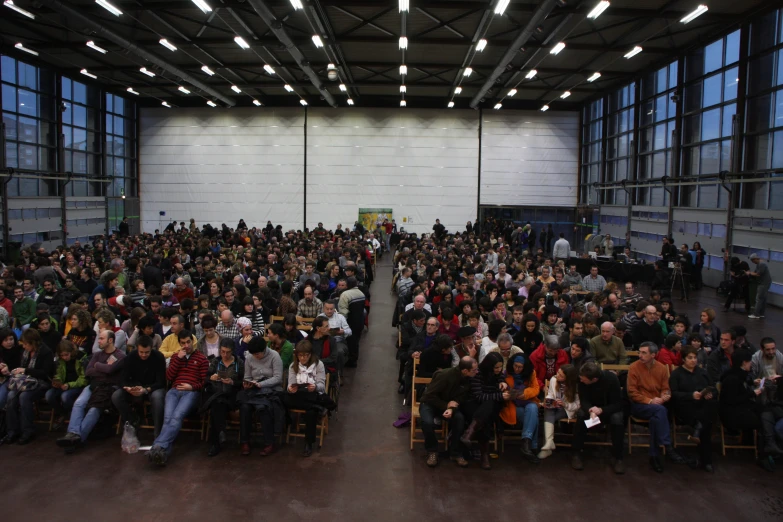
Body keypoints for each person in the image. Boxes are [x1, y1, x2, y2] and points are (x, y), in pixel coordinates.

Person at [57, 330, 127, 453]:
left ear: (110, 340)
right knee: (79, 403)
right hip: (93, 385)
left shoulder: (120, 356)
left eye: (101, 339)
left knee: (94, 410)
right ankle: (72, 434)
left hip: (107, 388)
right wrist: (104, 368)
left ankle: (78, 440)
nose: (98, 341)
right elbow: (88, 371)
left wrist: (98, 366)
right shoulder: (97, 355)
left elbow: (111, 371)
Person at [148, 329, 209, 466]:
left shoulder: (201, 359)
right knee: (168, 418)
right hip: (174, 390)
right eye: (183, 343)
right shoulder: (176, 357)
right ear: (179, 343)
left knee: (176, 417)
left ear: (193, 341)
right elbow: (169, 377)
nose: (186, 345)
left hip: (191, 392)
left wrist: (191, 387)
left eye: (188, 342)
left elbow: (205, 383)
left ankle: (157, 446)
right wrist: (177, 359)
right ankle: (161, 453)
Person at [627, 342, 687, 472]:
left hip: (657, 406)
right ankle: (667, 445)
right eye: (639, 352)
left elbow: (666, 388)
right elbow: (632, 392)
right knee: (661, 411)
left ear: (653, 355)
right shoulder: (633, 367)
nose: (640, 355)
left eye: (644, 353)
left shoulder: (661, 368)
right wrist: (650, 401)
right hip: (640, 405)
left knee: (656, 419)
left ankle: (654, 456)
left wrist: (665, 396)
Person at [719, 349, 783, 465]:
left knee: (766, 411)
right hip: (733, 414)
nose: (751, 364)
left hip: (740, 409)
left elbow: (740, 390)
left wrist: (752, 383)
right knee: (764, 419)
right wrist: (753, 393)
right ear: (744, 363)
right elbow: (732, 399)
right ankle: (765, 451)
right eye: (749, 362)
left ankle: (769, 445)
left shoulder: (737, 375)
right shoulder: (732, 379)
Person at [419, 357, 477, 468]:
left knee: (459, 419)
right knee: (427, 422)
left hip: (448, 405)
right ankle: (432, 451)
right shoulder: (444, 375)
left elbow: (462, 397)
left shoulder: (468, 379)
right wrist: (446, 405)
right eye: (474, 370)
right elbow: (428, 396)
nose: (476, 372)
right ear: (465, 370)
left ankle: (455, 452)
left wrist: (451, 408)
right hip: (430, 403)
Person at [669, 345, 718, 473]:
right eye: (690, 358)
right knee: (706, 422)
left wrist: (710, 393)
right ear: (684, 359)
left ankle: (697, 430)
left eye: (695, 357)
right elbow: (674, 393)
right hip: (685, 407)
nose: (693, 360)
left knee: (707, 416)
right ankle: (706, 461)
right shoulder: (676, 374)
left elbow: (713, 387)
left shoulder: (702, 372)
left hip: (701, 407)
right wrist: (690, 395)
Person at [1, 329, 54, 445]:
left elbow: (45, 373)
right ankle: (12, 430)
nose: (23, 347)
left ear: (32, 343)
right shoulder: (24, 352)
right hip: (25, 382)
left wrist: (25, 370)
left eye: (25, 344)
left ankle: (28, 430)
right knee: (10, 395)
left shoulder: (46, 352)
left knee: (24, 397)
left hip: (41, 383)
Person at [571, 362, 625, 474]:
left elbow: (618, 403)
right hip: (591, 410)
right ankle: (577, 453)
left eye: (584, 379)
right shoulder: (582, 379)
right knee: (581, 416)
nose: (581, 381)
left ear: (594, 379)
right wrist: (590, 409)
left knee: (618, 418)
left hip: (608, 410)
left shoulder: (612, 379)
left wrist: (601, 410)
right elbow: (583, 400)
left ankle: (618, 457)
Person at [111, 335, 167, 438]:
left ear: (152, 348)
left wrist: (145, 390)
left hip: (152, 388)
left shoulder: (158, 357)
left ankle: (158, 433)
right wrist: (128, 388)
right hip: (134, 387)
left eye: (147, 352)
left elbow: (161, 382)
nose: (144, 355)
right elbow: (123, 379)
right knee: (116, 396)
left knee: (157, 398)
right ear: (137, 348)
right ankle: (133, 419)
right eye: (141, 352)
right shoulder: (130, 357)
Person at [460, 352, 508, 470]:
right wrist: (500, 396)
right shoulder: (478, 374)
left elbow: (501, 378)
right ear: (489, 366)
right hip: (474, 404)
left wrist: (503, 382)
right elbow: (479, 396)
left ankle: (469, 432)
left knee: (488, 409)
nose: (499, 369)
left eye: (500, 367)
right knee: (486, 415)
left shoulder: (499, 375)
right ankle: (484, 455)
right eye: (496, 367)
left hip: (489, 407)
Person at [238, 336, 284, 457]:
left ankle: (269, 442)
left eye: (257, 354)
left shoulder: (274, 356)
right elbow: (247, 377)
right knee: (244, 407)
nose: (255, 357)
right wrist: (248, 383)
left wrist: (261, 384)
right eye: (253, 354)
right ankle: (244, 441)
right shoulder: (249, 357)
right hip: (254, 390)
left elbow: (278, 378)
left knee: (263, 407)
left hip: (271, 389)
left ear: (264, 350)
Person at [283, 341, 327, 457]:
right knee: (283, 398)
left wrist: (315, 386)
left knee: (311, 412)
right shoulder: (293, 365)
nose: (303, 358)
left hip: (313, 394)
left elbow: (322, 385)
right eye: (300, 355)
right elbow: (290, 384)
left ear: (310, 355)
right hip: (299, 396)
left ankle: (308, 443)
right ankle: (317, 407)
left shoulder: (319, 364)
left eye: (306, 355)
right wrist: (290, 389)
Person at [204, 338, 244, 457]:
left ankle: (216, 441)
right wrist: (212, 378)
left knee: (217, 405)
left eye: (227, 352)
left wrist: (232, 382)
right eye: (222, 351)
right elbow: (206, 379)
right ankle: (219, 435)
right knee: (217, 403)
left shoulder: (239, 362)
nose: (224, 354)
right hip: (217, 393)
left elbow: (242, 382)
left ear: (233, 351)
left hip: (232, 395)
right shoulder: (216, 361)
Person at [500, 354, 541, 463]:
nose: (517, 369)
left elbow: (536, 389)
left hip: (527, 402)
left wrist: (525, 393)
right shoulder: (506, 373)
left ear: (524, 367)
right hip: (512, 406)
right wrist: (506, 393)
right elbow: (501, 389)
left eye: (520, 367)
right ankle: (532, 446)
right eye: (515, 366)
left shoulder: (530, 373)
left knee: (532, 408)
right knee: (534, 416)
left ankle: (526, 443)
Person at [538, 363, 579, 459]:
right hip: (555, 406)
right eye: (558, 372)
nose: (557, 375)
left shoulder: (575, 386)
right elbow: (551, 394)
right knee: (548, 409)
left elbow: (577, 405)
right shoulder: (554, 379)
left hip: (567, 409)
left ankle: (548, 446)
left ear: (568, 378)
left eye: (561, 375)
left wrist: (565, 404)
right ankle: (549, 442)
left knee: (548, 419)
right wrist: (548, 401)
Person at [46, 340, 87, 430]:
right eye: (62, 355)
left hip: (77, 385)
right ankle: (63, 413)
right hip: (63, 384)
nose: (64, 357)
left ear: (71, 352)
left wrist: (69, 385)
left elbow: (84, 379)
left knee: (65, 396)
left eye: (66, 354)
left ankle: (72, 415)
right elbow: (58, 373)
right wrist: (57, 381)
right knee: (49, 395)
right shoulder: (59, 360)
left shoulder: (81, 358)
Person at [747, 253, 771, 319]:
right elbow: (755, 272)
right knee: (763, 298)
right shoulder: (759, 264)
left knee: (759, 298)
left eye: (752, 261)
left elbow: (758, 274)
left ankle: (756, 314)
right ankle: (761, 313)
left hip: (764, 283)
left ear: (755, 259)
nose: (752, 262)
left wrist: (749, 273)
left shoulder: (761, 264)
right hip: (764, 282)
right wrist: (751, 273)